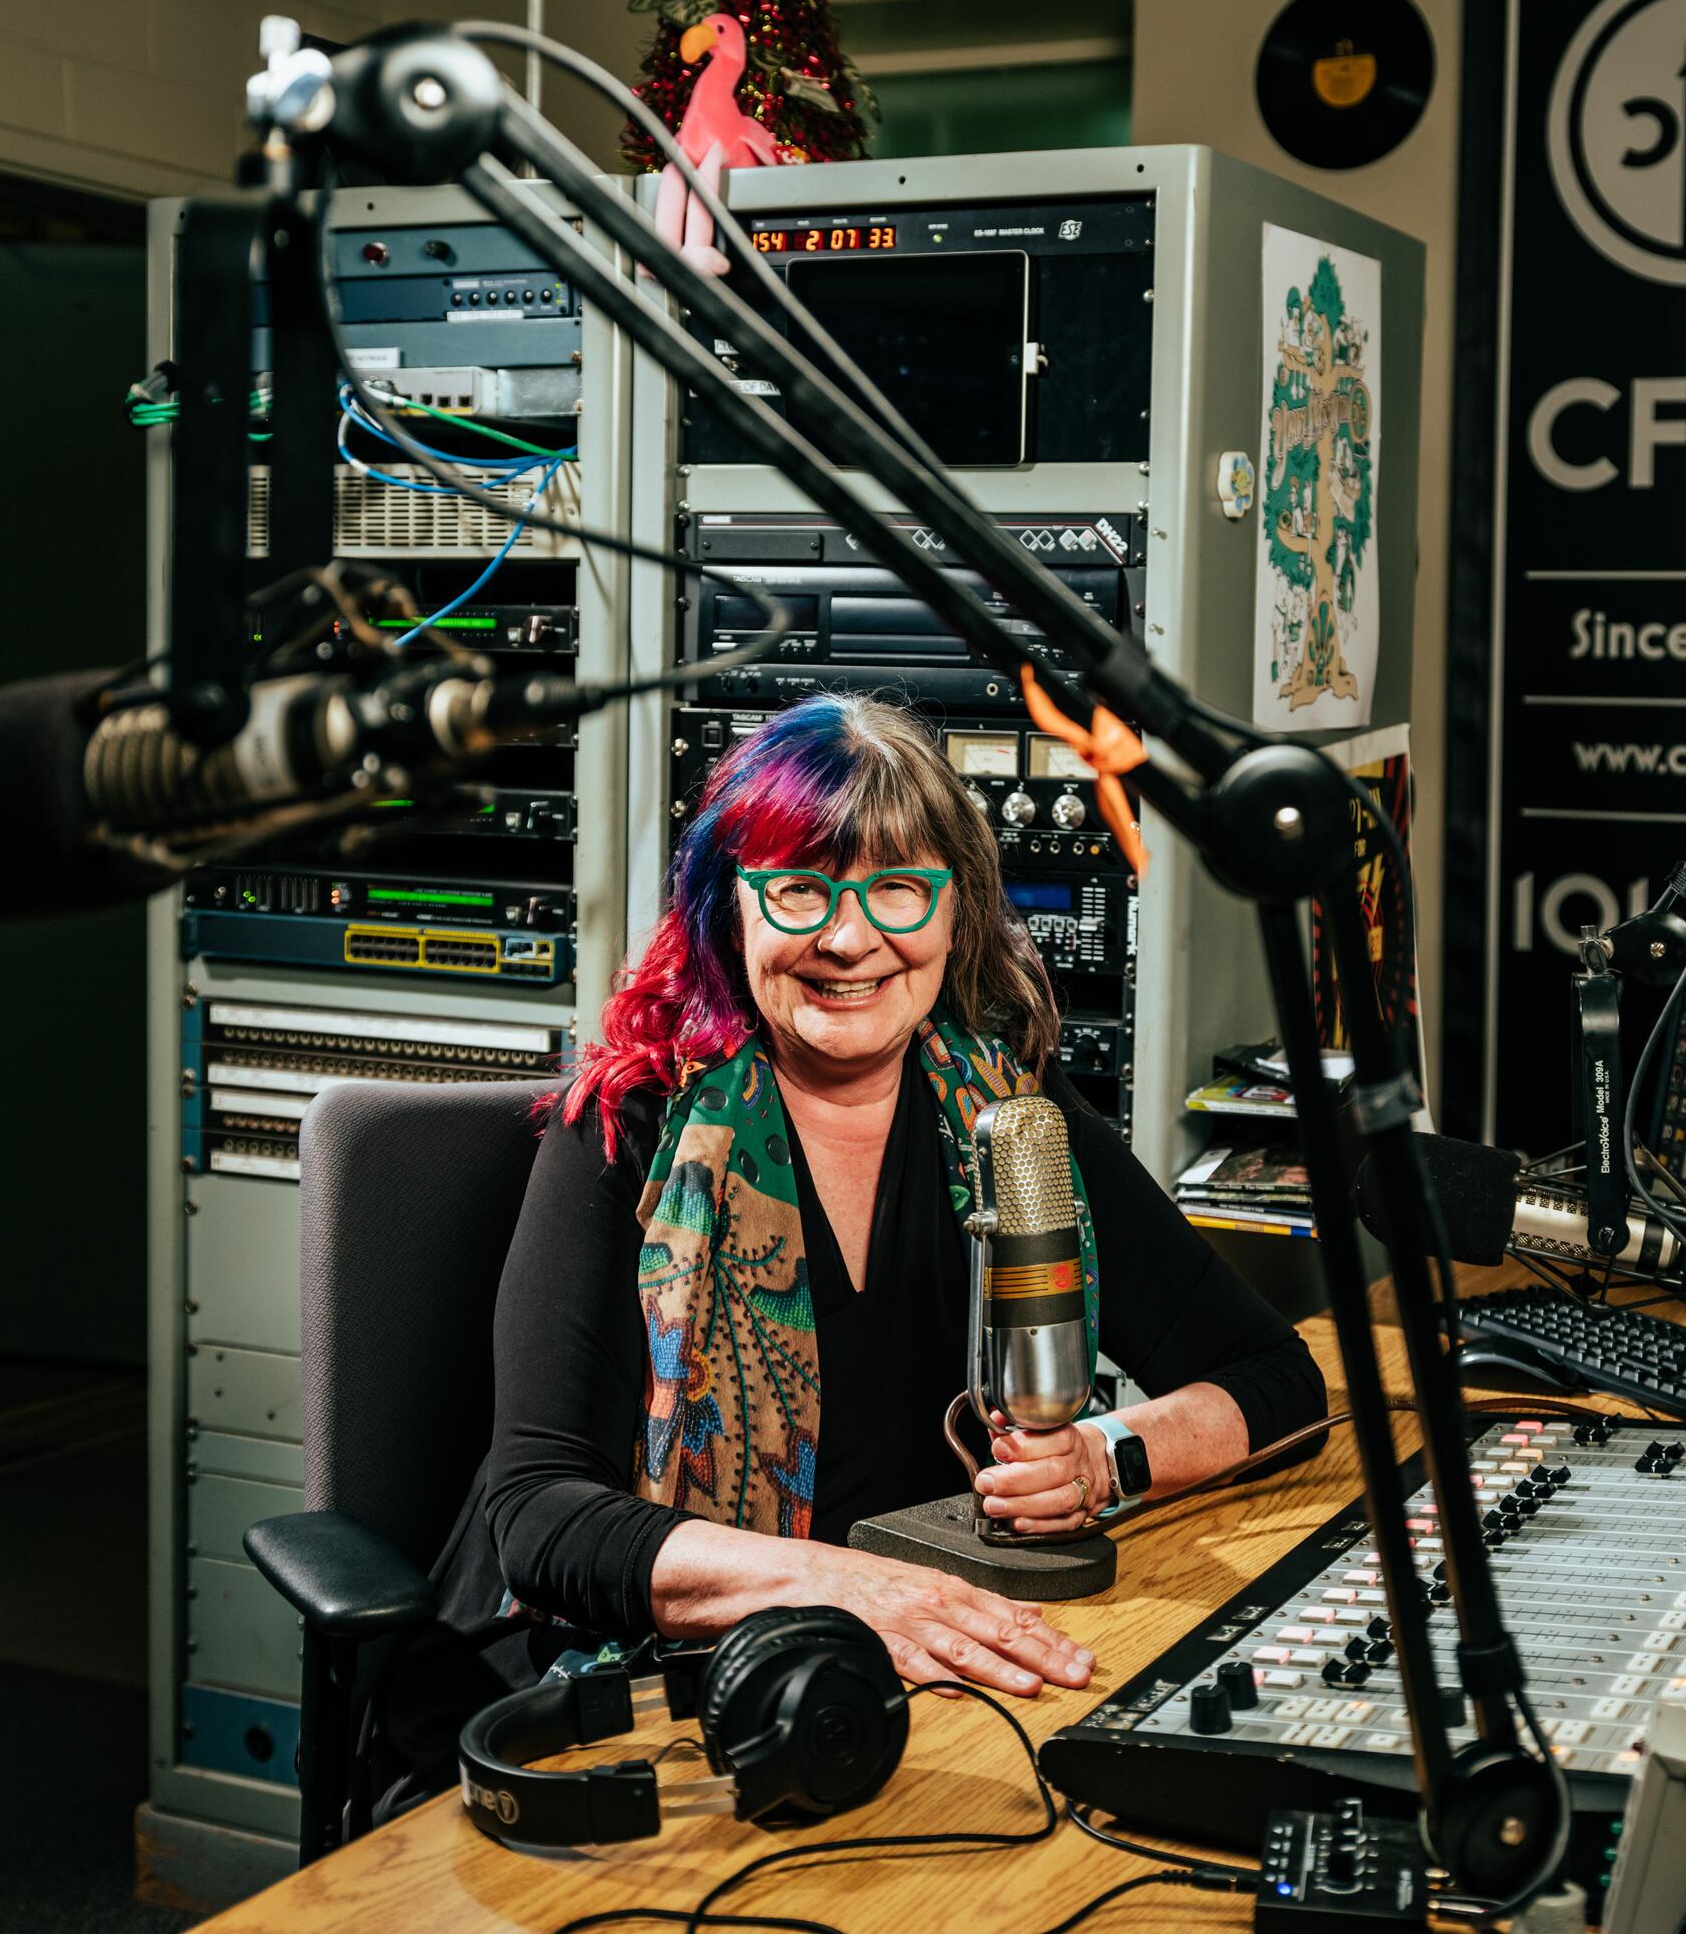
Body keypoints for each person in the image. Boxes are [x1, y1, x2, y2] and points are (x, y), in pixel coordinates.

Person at [380, 693, 1325, 1791]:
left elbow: (1272, 1377)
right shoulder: (629, 1122)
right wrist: (843, 1586)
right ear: (723, 911)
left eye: (895, 888)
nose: (847, 937)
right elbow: (540, 1519)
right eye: (797, 890)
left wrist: (1103, 1456)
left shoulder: (1009, 1110)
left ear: (954, 911)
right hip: (633, 1698)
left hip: (908, 1669)